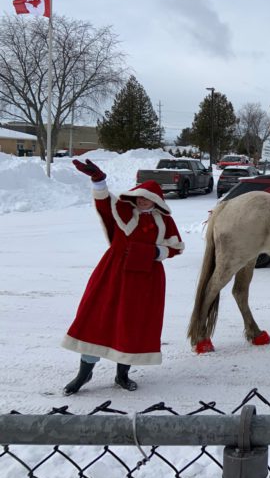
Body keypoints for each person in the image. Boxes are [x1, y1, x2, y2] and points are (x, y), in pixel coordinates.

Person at [62, 160, 184, 395]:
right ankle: (84, 374)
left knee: (132, 323)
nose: (142, 201)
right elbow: (103, 202)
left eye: (147, 198)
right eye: (140, 197)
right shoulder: (122, 210)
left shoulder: (164, 220)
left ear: (156, 200)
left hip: (145, 279)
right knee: (97, 319)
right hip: (113, 272)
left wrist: (155, 252)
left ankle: (122, 375)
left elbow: (176, 247)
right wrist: (99, 180)